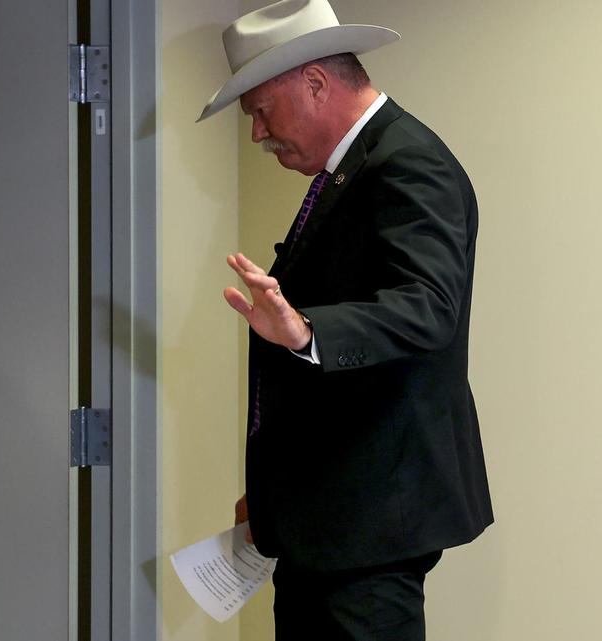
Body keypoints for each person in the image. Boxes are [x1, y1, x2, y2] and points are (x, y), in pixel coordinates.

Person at [196, 2, 493, 639]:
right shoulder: (357, 166)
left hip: (369, 524)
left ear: (314, 83)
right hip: (325, 520)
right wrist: (273, 495)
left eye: (261, 112)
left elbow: (428, 306)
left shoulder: (408, 162)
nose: (258, 135)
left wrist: (308, 331)